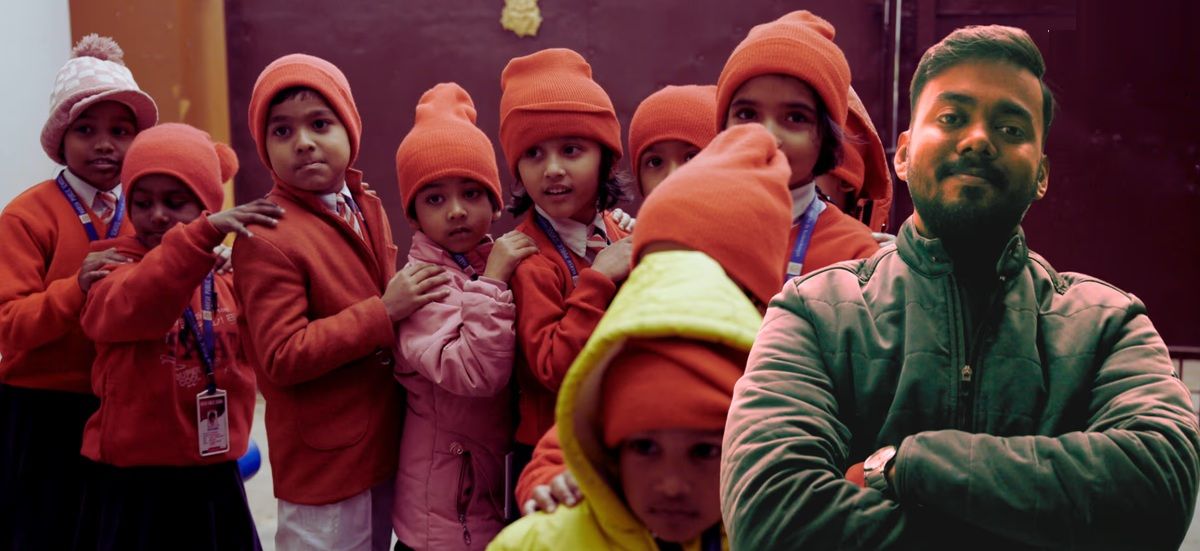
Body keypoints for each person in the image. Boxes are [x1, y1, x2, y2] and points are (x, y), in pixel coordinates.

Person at [721, 24, 1200, 549]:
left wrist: (908, 465)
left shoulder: (1108, 324)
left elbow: (1161, 487)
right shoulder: (814, 313)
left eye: (1011, 128)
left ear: (1041, 174)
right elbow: (772, 517)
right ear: (903, 155)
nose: (978, 140)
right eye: (951, 118)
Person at [489, 122, 792, 550]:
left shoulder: (774, 369)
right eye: (658, 264)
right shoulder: (631, 348)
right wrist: (550, 480)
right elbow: (569, 437)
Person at [232, 54, 426, 550]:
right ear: (264, 146)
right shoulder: (266, 235)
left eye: (320, 124)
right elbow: (281, 355)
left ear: (350, 129)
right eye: (282, 131)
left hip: (380, 444)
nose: (303, 142)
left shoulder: (365, 203)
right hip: (326, 464)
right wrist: (383, 312)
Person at [74, 123, 279, 550]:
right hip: (136, 482)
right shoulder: (111, 269)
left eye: (175, 201)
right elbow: (141, 301)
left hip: (214, 474)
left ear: (208, 206)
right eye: (142, 202)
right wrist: (200, 238)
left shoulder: (225, 276)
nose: (157, 215)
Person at [0, 34, 157, 550]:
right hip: (43, 411)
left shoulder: (149, 212)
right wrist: (75, 288)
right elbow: (8, 327)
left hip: (127, 403)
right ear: (60, 139)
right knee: (46, 532)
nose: (104, 144)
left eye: (120, 131)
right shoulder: (26, 217)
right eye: (85, 129)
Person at [391, 82, 538, 550]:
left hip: (483, 492)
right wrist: (493, 282)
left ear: (495, 204)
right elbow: (475, 372)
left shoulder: (486, 260)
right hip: (444, 517)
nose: (456, 211)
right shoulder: (421, 285)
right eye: (435, 199)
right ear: (413, 216)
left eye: (471, 193)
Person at [498, 48, 634, 454]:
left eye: (571, 150)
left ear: (605, 158)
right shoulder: (530, 258)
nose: (552, 169)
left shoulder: (617, 231)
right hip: (554, 455)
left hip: (618, 436)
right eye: (533, 153)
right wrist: (597, 280)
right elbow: (552, 367)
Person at [716, 10, 880, 278]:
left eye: (795, 117)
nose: (767, 136)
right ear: (722, 126)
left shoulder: (857, 255)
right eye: (747, 114)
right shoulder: (687, 233)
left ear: (826, 137)